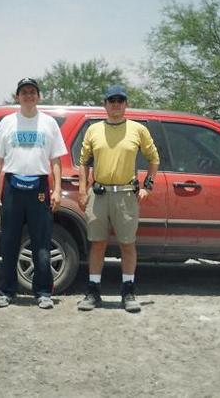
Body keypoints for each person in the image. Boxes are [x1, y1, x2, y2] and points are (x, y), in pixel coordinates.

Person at [77, 85, 160, 313]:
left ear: (126, 104)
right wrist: (83, 191)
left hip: (126, 195)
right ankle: (93, 291)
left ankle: (128, 291)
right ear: (104, 104)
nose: (115, 104)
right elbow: (83, 162)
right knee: (98, 244)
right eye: (111, 100)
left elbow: (154, 159)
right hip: (100, 194)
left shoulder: (137, 130)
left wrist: (147, 186)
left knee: (127, 244)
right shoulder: (93, 130)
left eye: (120, 100)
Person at [0, 77, 67, 309]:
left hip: (40, 188)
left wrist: (58, 189)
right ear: (17, 97)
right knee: (10, 242)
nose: (29, 95)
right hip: (12, 186)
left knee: (41, 243)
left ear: (38, 96)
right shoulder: (6, 123)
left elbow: (56, 159)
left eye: (33, 92)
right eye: (24, 92)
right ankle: (7, 291)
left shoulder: (49, 124)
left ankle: (43, 292)